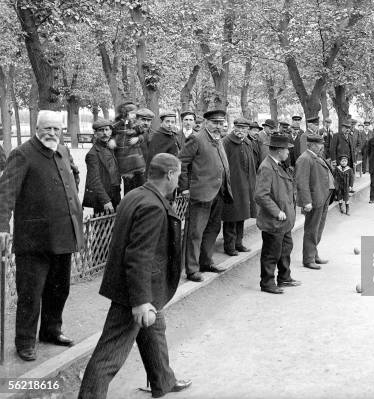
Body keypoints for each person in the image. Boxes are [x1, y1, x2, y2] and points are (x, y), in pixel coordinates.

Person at [78, 154, 192, 399]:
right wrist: (140, 301)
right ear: (170, 175)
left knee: (154, 330)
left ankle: (163, 380)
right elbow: (138, 256)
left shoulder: (136, 194)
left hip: (141, 286)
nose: (179, 179)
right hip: (135, 291)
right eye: (178, 174)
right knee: (110, 354)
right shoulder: (152, 205)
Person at [0, 110, 83, 361]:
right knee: (30, 293)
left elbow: (72, 179)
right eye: (47, 128)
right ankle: (24, 342)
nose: (52, 133)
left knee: (59, 289)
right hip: (34, 239)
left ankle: (51, 331)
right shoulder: (22, 154)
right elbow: (6, 194)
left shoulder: (63, 150)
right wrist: (2, 227)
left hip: (63, 235)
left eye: (56, 129)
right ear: (37, 128)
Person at [179, 109, 233, 282]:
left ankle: (206, 262)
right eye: (215, 123)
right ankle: (192, 269)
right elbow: (182, 163)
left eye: (221, 123)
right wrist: (185, 188)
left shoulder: (219, 139)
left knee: (212, 229)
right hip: (201, 193)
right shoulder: (196, 138)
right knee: (195, 232)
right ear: (206, 123)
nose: (219, 126)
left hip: (218, 192)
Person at [255, 135, 301, 294]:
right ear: (279, 151)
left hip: (284, 219)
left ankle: (284, 277)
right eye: (286, 149)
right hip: (274, 220)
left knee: (285, 249)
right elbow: (261, 195)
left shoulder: (277, 164)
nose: (288, 152)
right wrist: (277, 212)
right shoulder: (267, 167)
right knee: (271, 253)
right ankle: (267, 283)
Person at [295, 135, 335, 270]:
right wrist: (306, 201)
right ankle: (308, 258)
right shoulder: (305, 158)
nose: (322, 147)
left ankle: (314, 253)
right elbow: (301, 182)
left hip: (322, 197)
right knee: (312, 229)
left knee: (318, 228)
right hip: (314, 200)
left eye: (322, 144)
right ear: (310, 145)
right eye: (319, 145)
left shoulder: (316, 156)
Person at [221, 118, 257, 256]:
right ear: (233, 127)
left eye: (244, 128)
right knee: (231, 216)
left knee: (241, 215)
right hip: (232, 186)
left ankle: (239, 243)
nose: (241, 131)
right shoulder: (226, 142)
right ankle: (229, 246)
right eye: (239, 128)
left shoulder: (247, 143)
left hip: (245, 186)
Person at [83, 119, 121, 215]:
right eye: (101, 130)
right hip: (103, 197)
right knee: (102, 227)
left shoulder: (111, 147)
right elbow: (94, 180)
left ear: (111, 131)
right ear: (95, 134)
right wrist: (105, 201)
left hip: (116, 193)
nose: (105, 133)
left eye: (107, 129)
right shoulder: (93, 154)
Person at [111, 102, 147, 195]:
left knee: (140, 186)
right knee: (128, 188)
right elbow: (108, 133)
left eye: (135, 113)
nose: (134, 115)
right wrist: (112, 140)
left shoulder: (135, 124)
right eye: (132, 113)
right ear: (125, 113)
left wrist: (138, 138)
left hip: (136, 161)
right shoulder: (116, 124)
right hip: (124, 161)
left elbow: (143, 134)